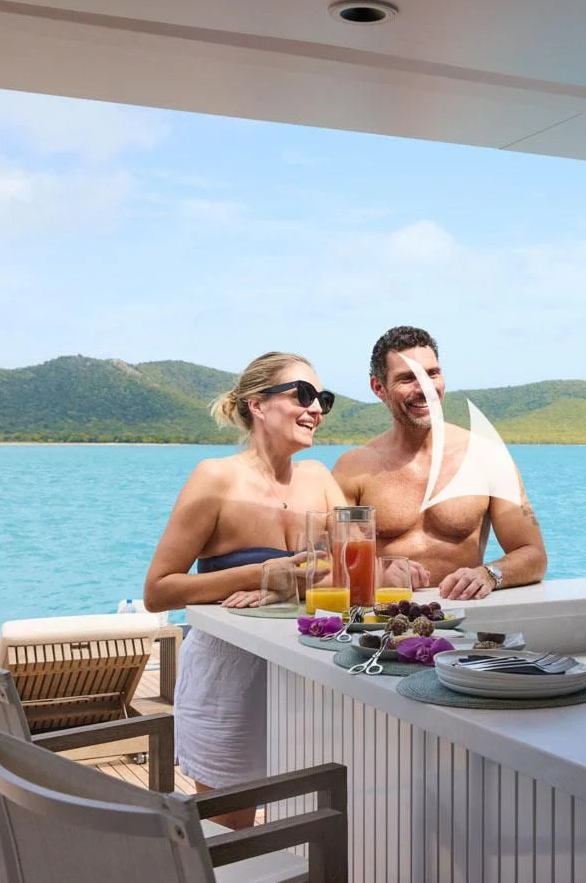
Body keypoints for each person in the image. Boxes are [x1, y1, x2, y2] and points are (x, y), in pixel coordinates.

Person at [143, 351, 346, 829]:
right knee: (229, 834)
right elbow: (159, 591)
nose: (316, 408)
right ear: (257, 404)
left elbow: (352, 570)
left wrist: (286, 588)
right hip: (229, 678)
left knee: (310, 824)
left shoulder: (319, 479)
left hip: (310, 674)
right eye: (304, 394)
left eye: (323, 398)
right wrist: (259, 574)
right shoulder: (215, 478)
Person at [332, 325, 547, 600]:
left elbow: (533, 554)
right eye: (407, 378)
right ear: (379, 387)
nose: (425, 388)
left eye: (432, 373)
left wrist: (489, 574)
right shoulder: (354, 469)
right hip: (384, 615)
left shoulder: (487, 457)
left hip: (461, 615)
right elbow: (329, 560)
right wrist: (377, 574)